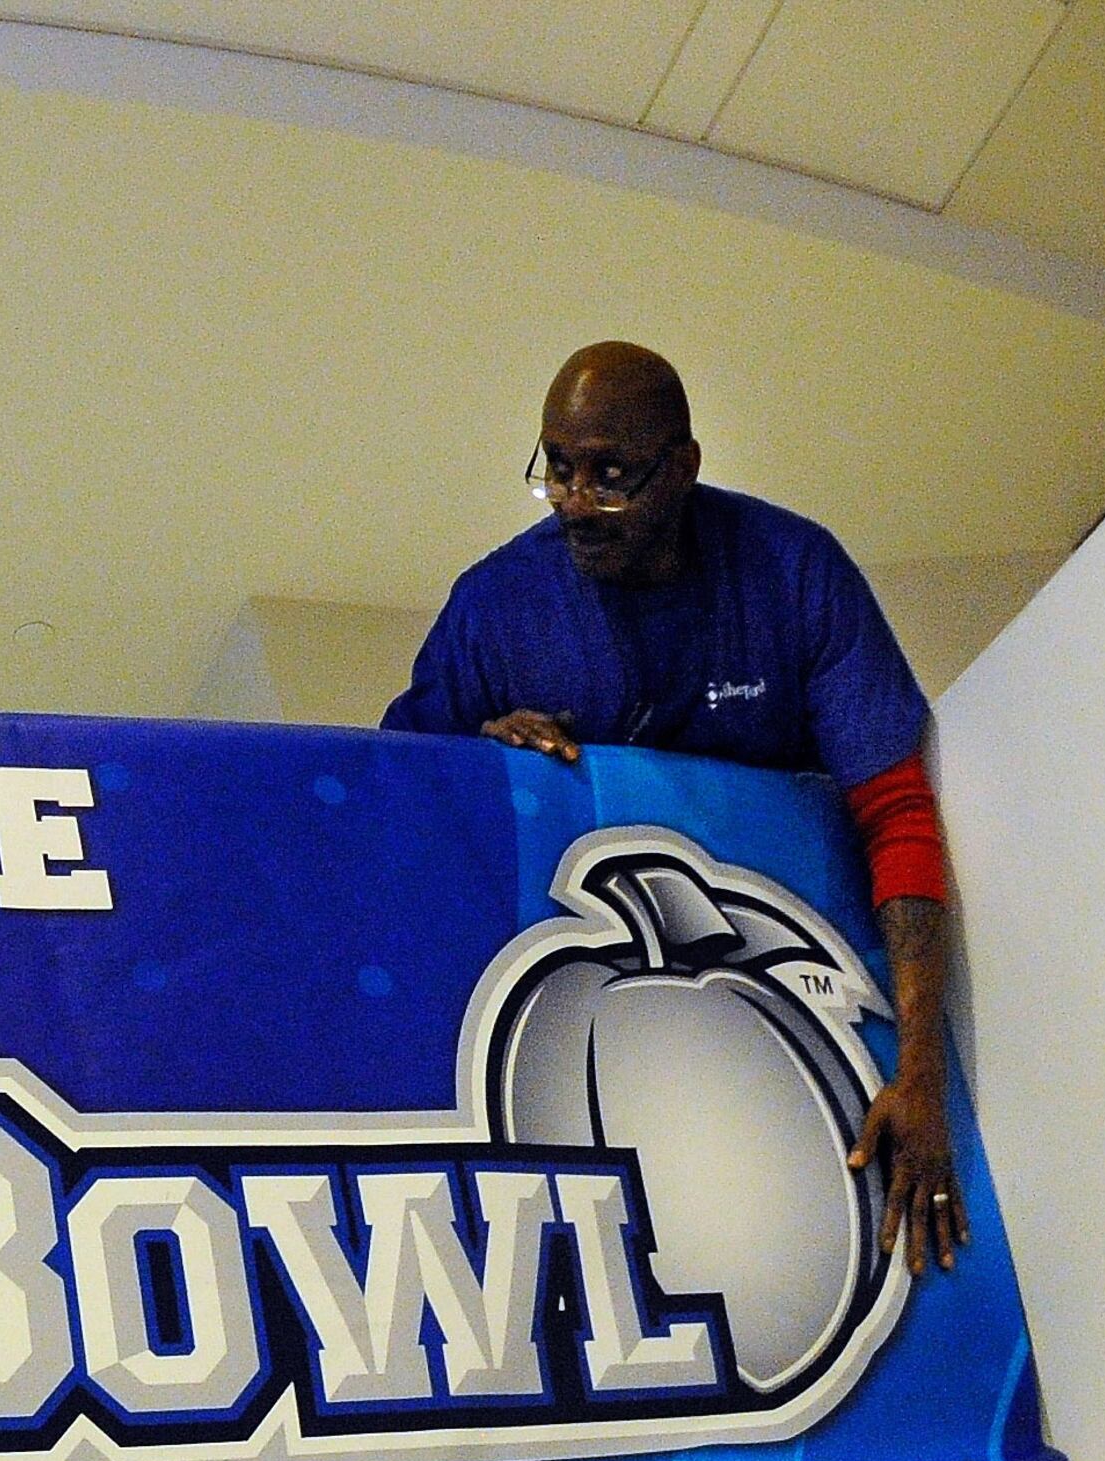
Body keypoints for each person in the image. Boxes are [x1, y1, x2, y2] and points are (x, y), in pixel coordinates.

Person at [384, 342, 964, 1273]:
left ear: (683, 467)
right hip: (579, 1029)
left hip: (809, 1009)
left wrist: (924, 1073)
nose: (576, 502)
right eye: (557, 470)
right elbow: (400, 808)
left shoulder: (795, 572)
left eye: (610, 476)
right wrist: (478, 764)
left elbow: (896, 809)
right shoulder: (495, 607)